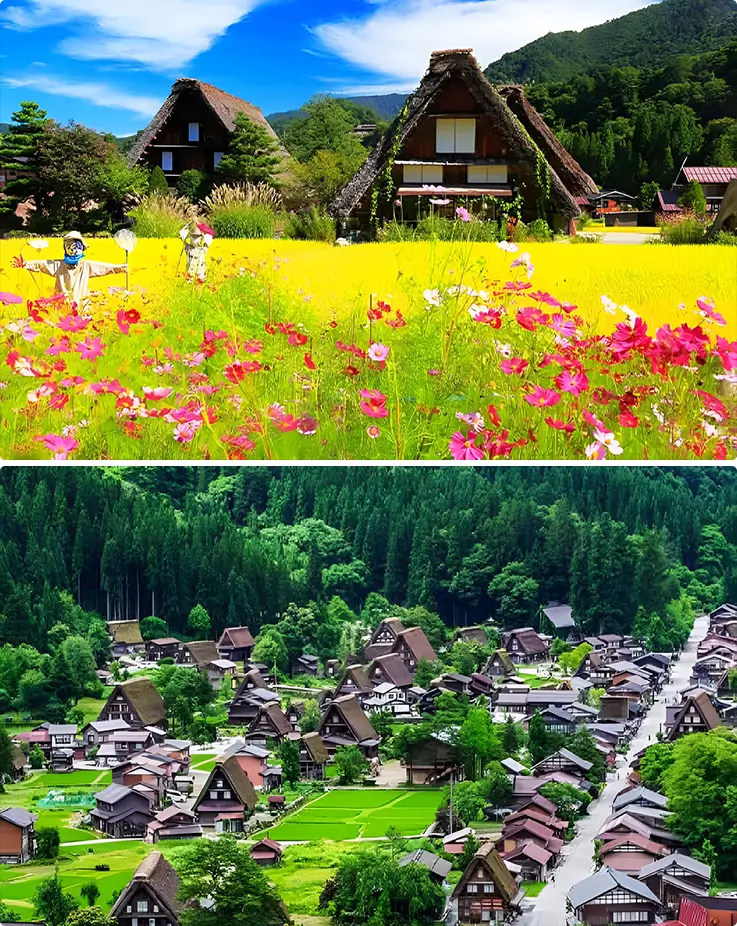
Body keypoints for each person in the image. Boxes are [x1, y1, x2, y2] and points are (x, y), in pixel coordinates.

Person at [12, 231, 126, 304]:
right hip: (62, 307)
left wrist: (122, 268)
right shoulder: (58, 265)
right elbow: (41, 264)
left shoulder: (86, 266)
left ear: (82, 248)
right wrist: (25, 264)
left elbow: (106, 268)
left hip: (81, 307)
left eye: (76, 246)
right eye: (69, 246)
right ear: (65, 249)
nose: (73, 250)